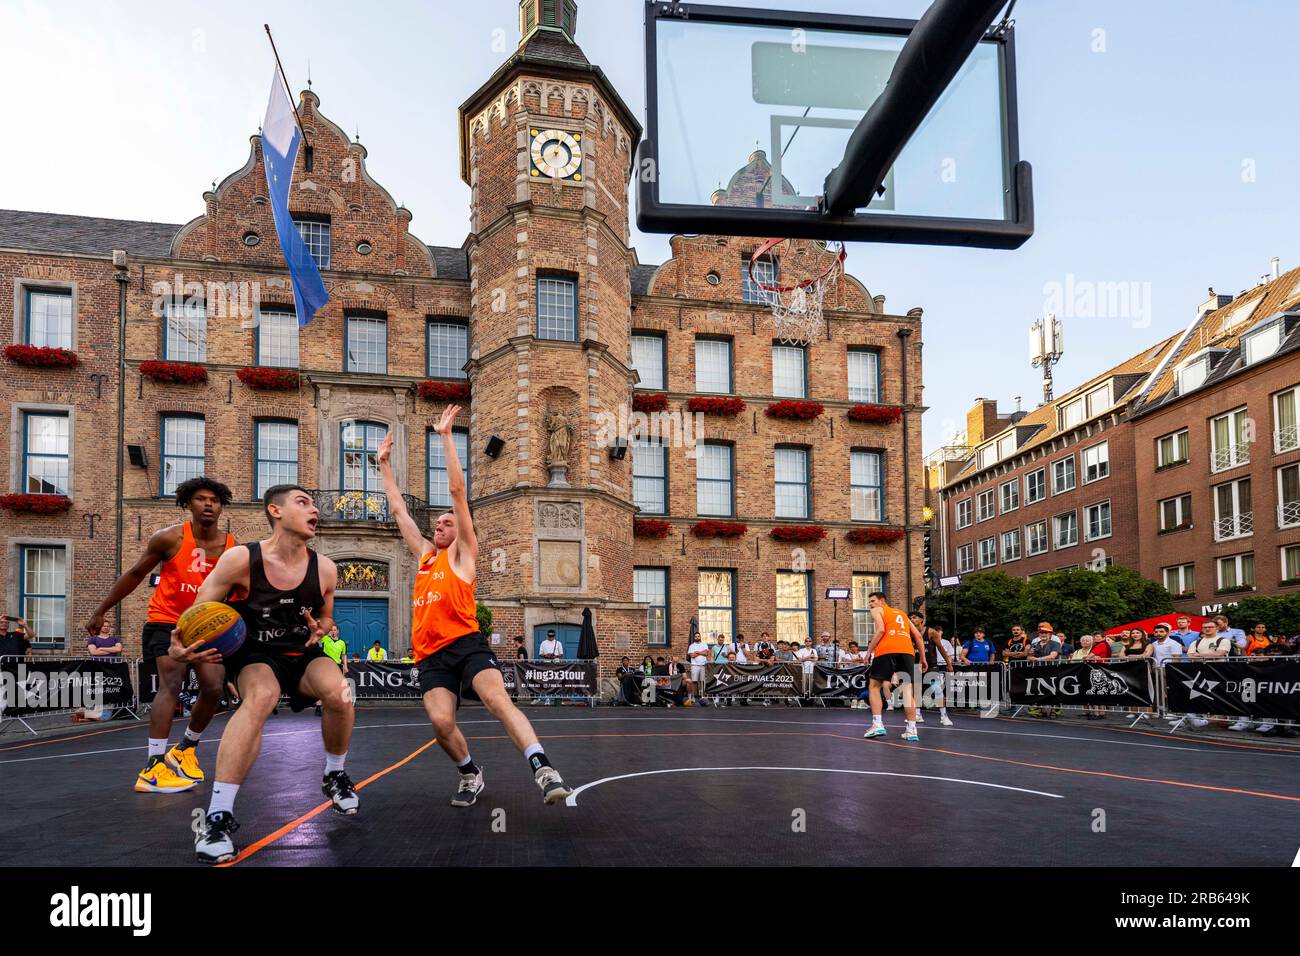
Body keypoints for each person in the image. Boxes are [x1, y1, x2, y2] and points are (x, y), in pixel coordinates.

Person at [376, 408, 571, 810]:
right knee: (441, 722)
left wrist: (447, 437)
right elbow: (398, 511)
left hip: (466, 644)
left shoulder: (463, 557)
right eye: (439, 524)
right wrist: (384, 467)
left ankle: (543, 768)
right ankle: (470, 773)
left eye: (448, 523)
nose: (440, 525)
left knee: (499, 702)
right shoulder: (427, 557)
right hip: (430, 655)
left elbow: (458, 494)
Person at [188, 483, 353, 864]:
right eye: (303, 502)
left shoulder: (325, 569)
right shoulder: (240, 560)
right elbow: (198, 612)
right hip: (257, 655)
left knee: (341, 693)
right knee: (261, 698)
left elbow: (327, 615)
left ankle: (335, 775)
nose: (314, 509)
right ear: (275, 511)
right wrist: (184, 644)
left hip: (303, 654)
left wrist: (323, 627)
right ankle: (217, 817)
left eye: (314, 504)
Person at [85, 476, 235, 794]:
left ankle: (185, 749)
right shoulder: (169, 539)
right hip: (167, 622)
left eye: (215, 500)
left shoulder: (233, 547)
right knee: (172, 683)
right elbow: (136, 573)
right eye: (201, 499)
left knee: (213, 687)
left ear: (222, 506)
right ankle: (153, 767)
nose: (208, 504)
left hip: (206, 627)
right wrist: (101, 610)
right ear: (188, 503)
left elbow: (240, 592)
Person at [863, 593, 926, 741]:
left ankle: (877, 724)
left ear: (882, 601)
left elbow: (880, 631)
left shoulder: (878, 610)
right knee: (907, 690)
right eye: (869, 602)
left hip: (887, 650)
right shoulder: (902, 614)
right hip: (907, 652)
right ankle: (911, 730)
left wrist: (868, 652)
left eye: (872, 601)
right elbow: (918, 636)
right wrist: (922, 658)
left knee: (874, 686)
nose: (870, 604)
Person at [1185, 620, 1232, 729]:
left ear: (1217, 628)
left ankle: (1216, 720)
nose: (1207, 629)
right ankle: (1201, 719)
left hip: (1219, 672)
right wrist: (1209, 655)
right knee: (1201, 695)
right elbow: (1190, 656)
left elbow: (1220, 653)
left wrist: (1199, 655)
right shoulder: (1196, 642)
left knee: (1219, 696)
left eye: (1210, 627)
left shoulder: (1223, 640)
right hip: (1200, 672)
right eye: (1205, 627)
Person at [910, 613, 953, 726]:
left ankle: (944, 716)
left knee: (937, 689)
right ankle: (918, 714)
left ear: (921, 619)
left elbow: (941, 648)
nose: (912, 620)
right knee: (917, 690)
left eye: (914, 617)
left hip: (931, 664)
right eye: (910, 618)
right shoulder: (910, 633)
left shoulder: (931, 632)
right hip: (916, 664)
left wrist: (948, 664)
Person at [686, 632, 710, 705]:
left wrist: (698, 652)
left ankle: (702, 696)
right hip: (694, 665)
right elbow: (692, 655)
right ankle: (693, 696)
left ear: (700, 637)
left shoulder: (704, 644)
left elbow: (706, 654)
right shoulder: (691, 646)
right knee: (694, 681)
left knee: (702, 681)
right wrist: (701, 652)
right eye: (695, 636)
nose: (697, 637)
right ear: (694, 637)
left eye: (698, 636)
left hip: (703, 665)